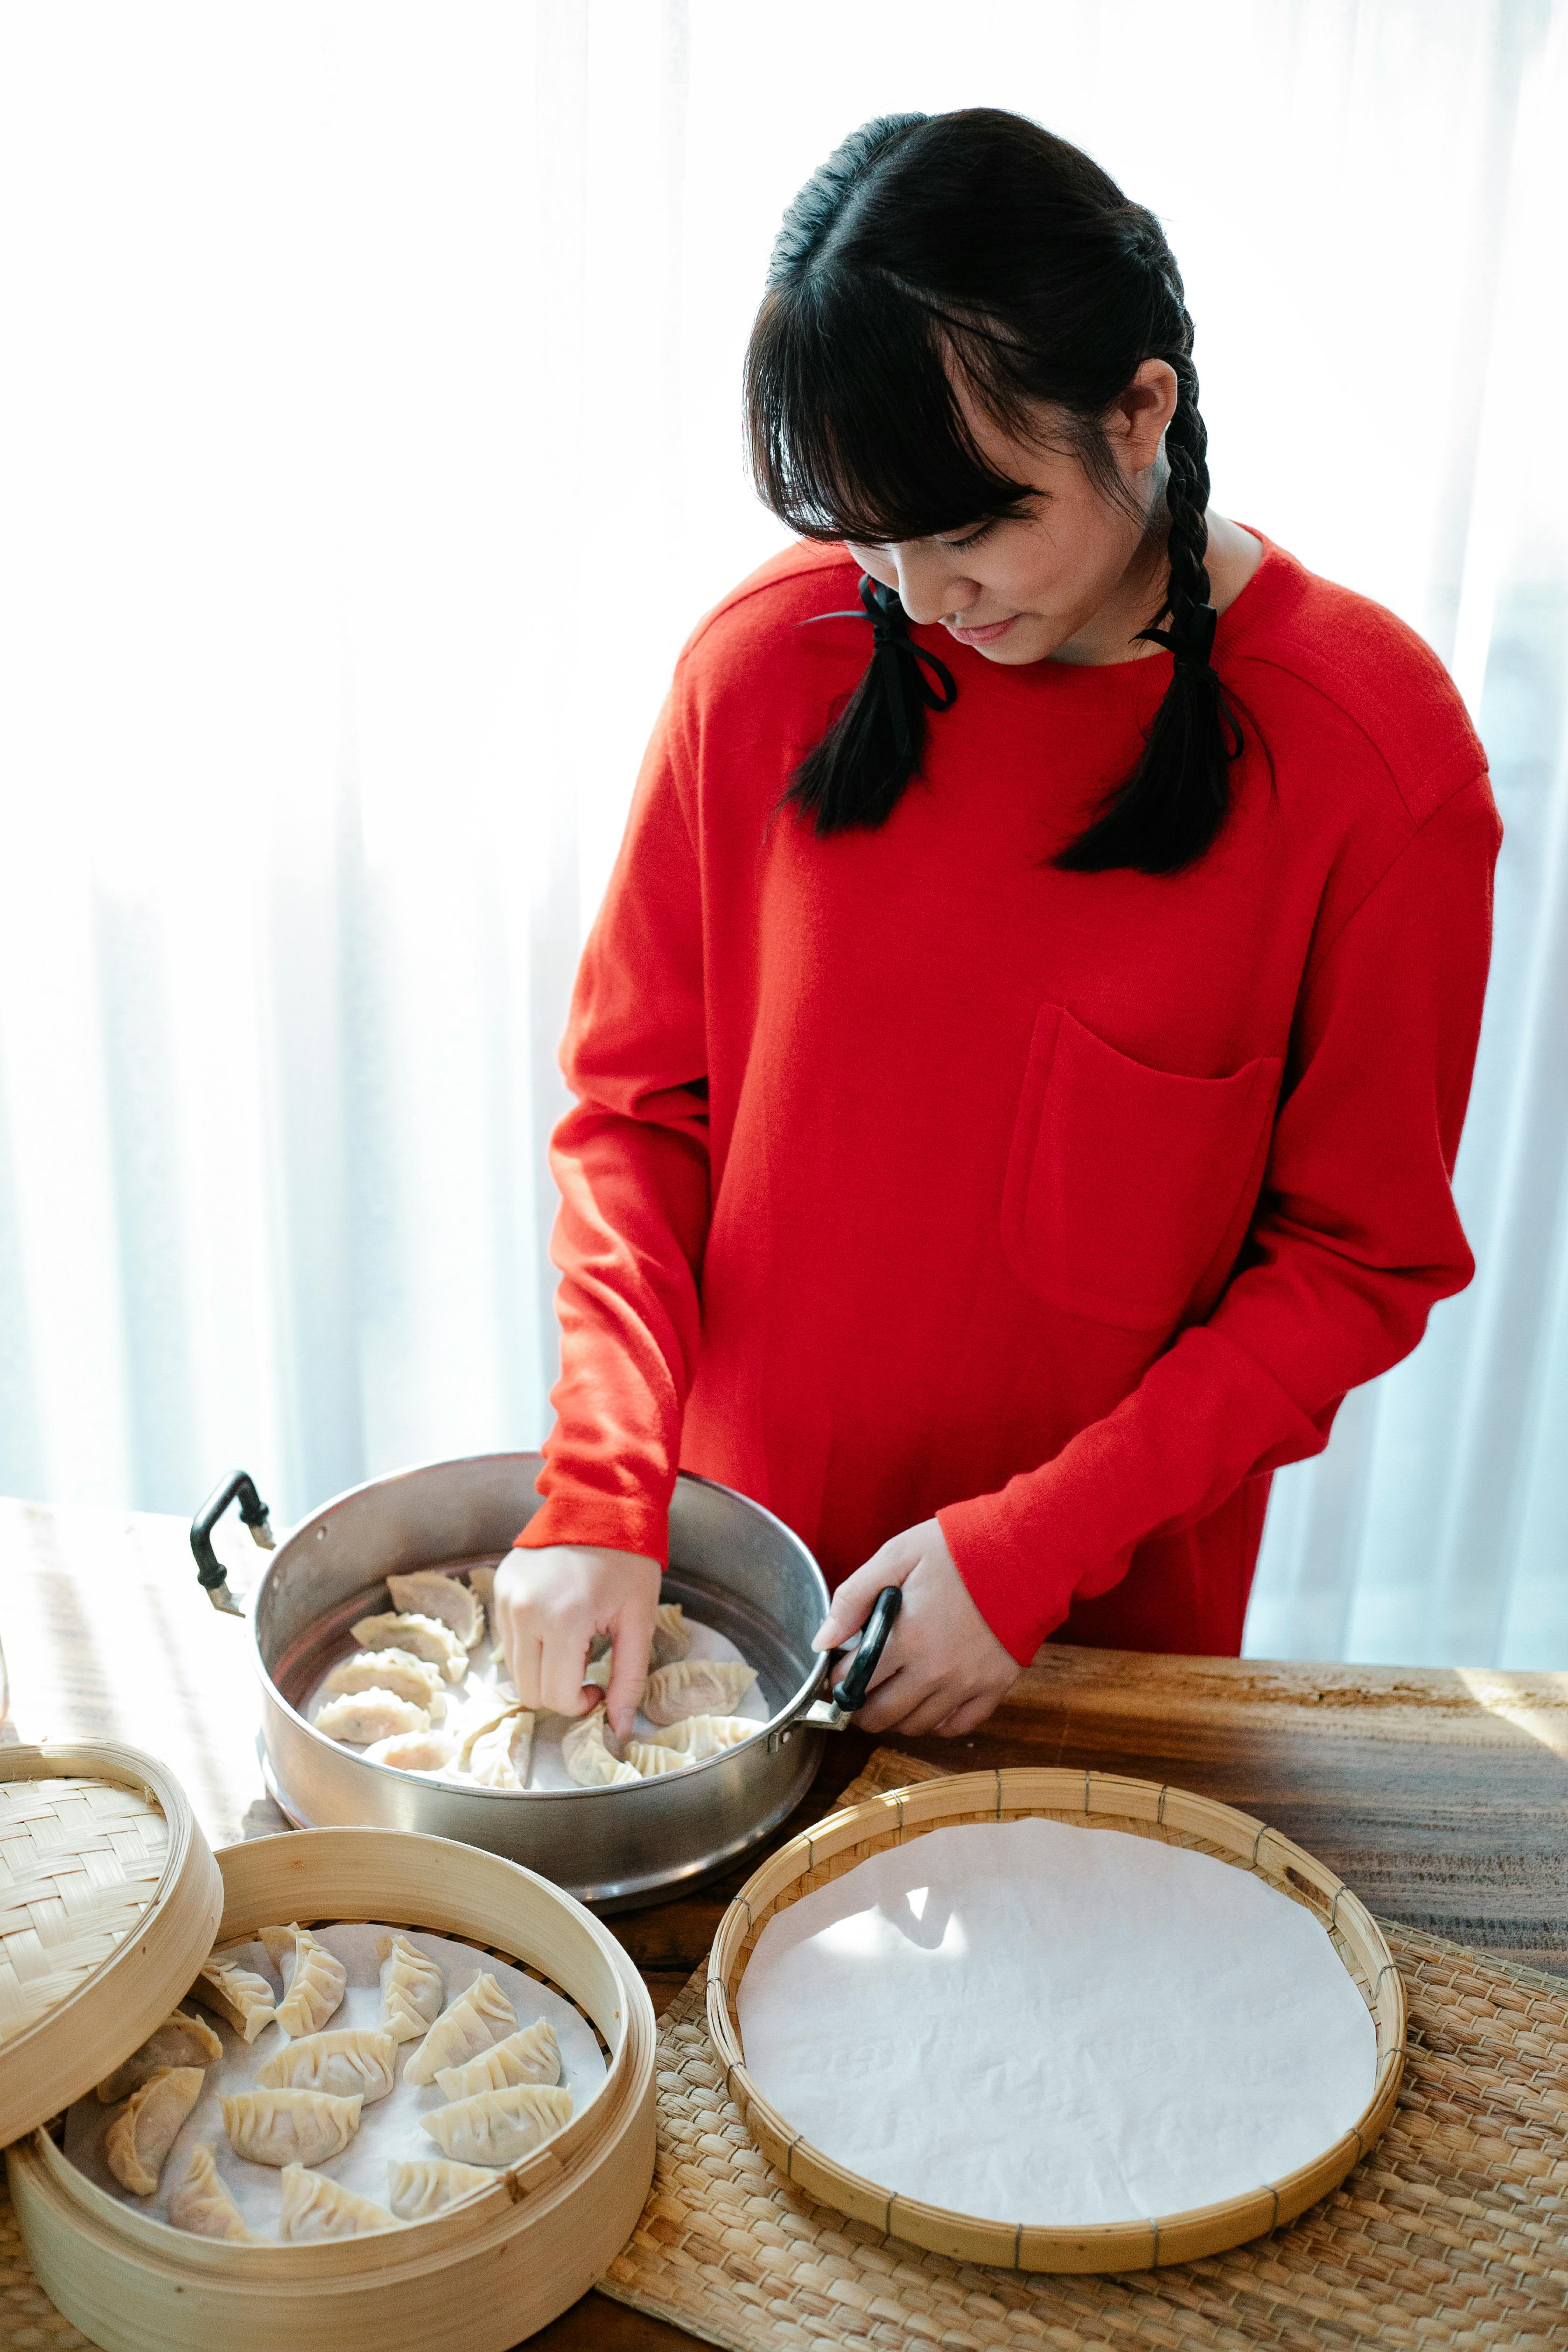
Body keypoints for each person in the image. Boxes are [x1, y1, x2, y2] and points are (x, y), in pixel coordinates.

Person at [492, 108, 1499, 1747]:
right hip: (730, 1634)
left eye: (974, 526)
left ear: (1141, 410)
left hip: (1095, 1656)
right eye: (872, 533)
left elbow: (1354, 1263)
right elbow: (636, 1117)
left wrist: (1023, 1556)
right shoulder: (762, 670)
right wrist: (603, 1486)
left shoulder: (1375, 763)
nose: (920, 592)